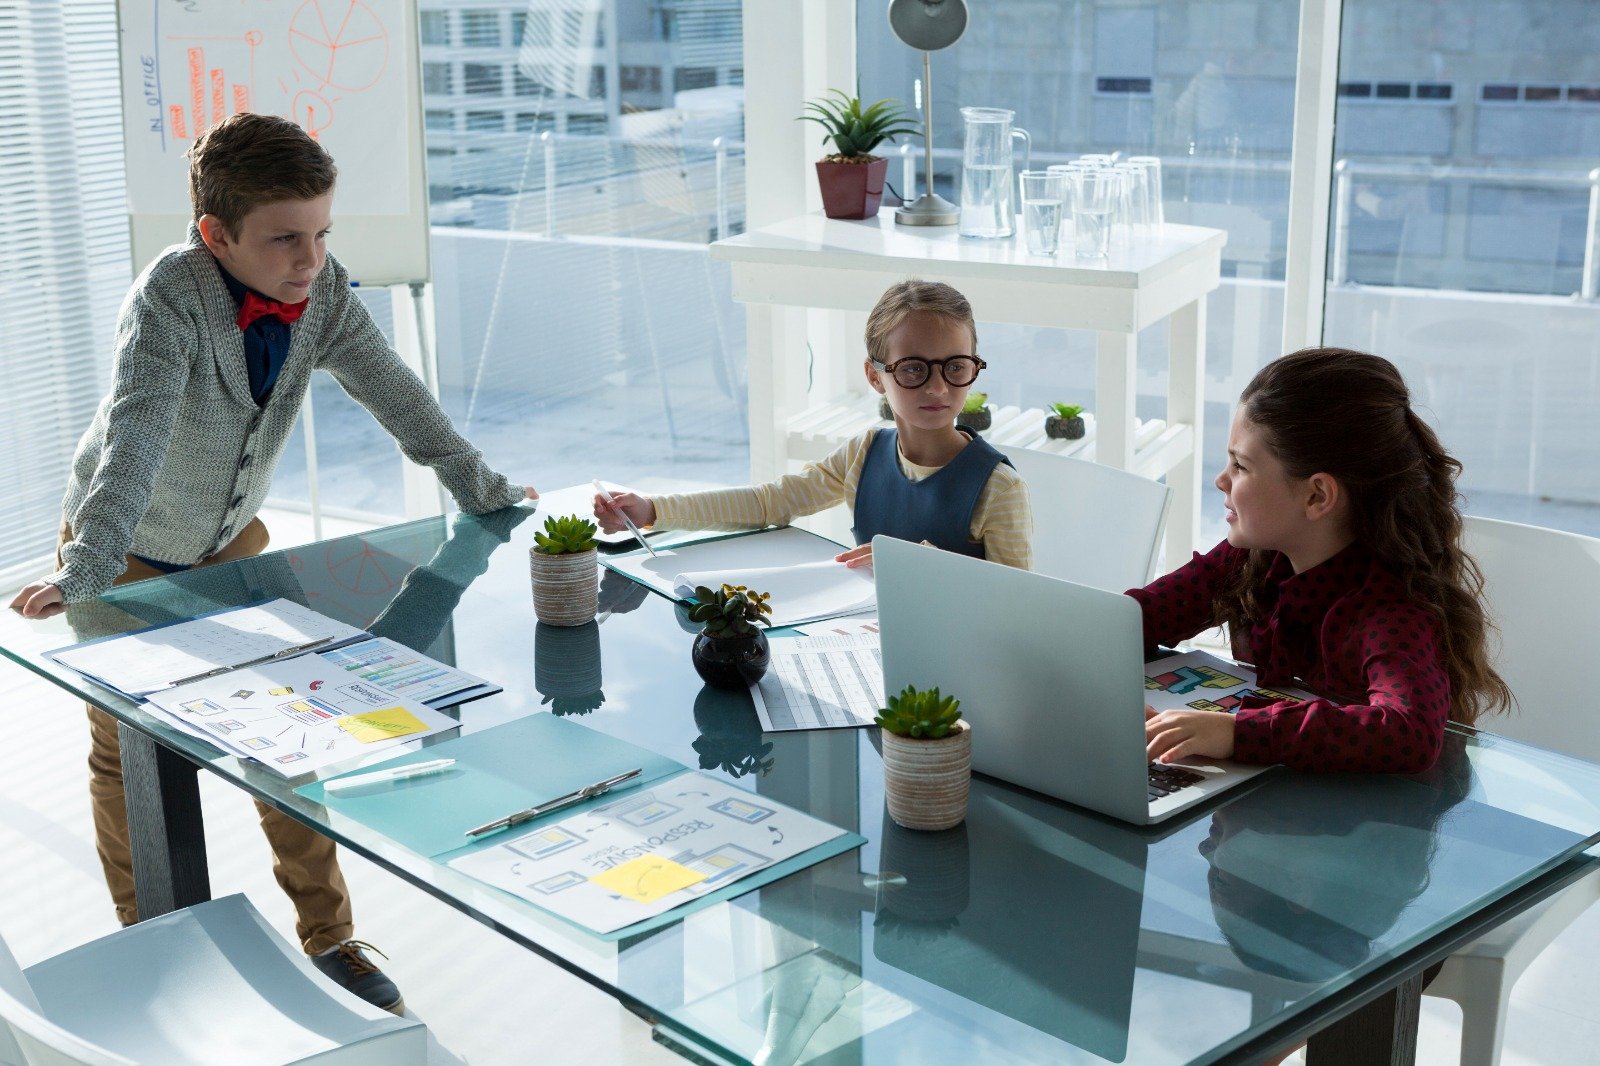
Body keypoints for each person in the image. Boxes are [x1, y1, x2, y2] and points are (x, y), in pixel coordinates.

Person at [9, 112, 538, 1013]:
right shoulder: (169, 295)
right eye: (284, 239)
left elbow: (400, 396)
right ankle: (156, 943)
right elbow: (134, 437)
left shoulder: (321, 297)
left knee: (292, 730)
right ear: (215, 235)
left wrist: (483, 489)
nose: (310, 259)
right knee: (127, 756)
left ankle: (330, 938)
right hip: (123, 546)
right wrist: (88, 567)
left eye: (323, 233)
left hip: (235, 545)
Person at [1132, 347, 1511, 775]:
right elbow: (1137, 618)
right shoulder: (1251, 558)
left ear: (1317, 496)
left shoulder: (1391, 609)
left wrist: (1235, 733)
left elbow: (1408, 732)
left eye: (1240, 466)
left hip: (1377, 824)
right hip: (1271, 801)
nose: (1221, 480)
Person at [593, 279, 1033, 570]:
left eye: (955, 367)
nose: (938, 388)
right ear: (874, 376)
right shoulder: (863, 455)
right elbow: (770, 502)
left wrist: (917, 568)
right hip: (863, 638)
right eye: (914, 369)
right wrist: (654, 511)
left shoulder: (999, 489)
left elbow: (1016, 610)